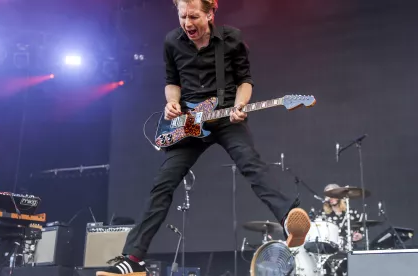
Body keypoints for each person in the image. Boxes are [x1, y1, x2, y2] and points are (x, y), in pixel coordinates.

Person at [96, 1, 311, 275]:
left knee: (250, 164)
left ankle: (290, 220)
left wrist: (240, 105)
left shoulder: (231, 38)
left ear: (210, 14)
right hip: (188, 124)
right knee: (162, 186)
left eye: (194, 16)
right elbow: (172, 81)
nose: (187, 23)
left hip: (225, 119)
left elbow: (245, 80)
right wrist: (172, 103)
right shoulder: (172, 41)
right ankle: (133, 260)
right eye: (182, 16)